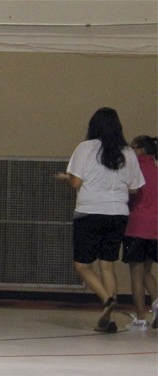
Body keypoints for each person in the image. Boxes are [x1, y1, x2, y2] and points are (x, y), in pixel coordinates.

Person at [56, 107, 145, 333]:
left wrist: (67, 178)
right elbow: (135, 189)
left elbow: (76, 183)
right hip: (118, 214)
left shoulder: (85, 148)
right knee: (107, 265)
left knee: (82, 265)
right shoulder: (128, 152)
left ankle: (107, 300)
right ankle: (110, 320)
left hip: (90, 212)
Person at [121, 135, 158, 330]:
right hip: (155, 229)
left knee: (136, 274)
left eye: (132, 147)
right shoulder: (156, 171)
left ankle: (141, 320)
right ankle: (157, 302)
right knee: (147, 271)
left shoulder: (134, 171)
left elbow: (128, 196)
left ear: (141, 150)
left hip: (136, 226)